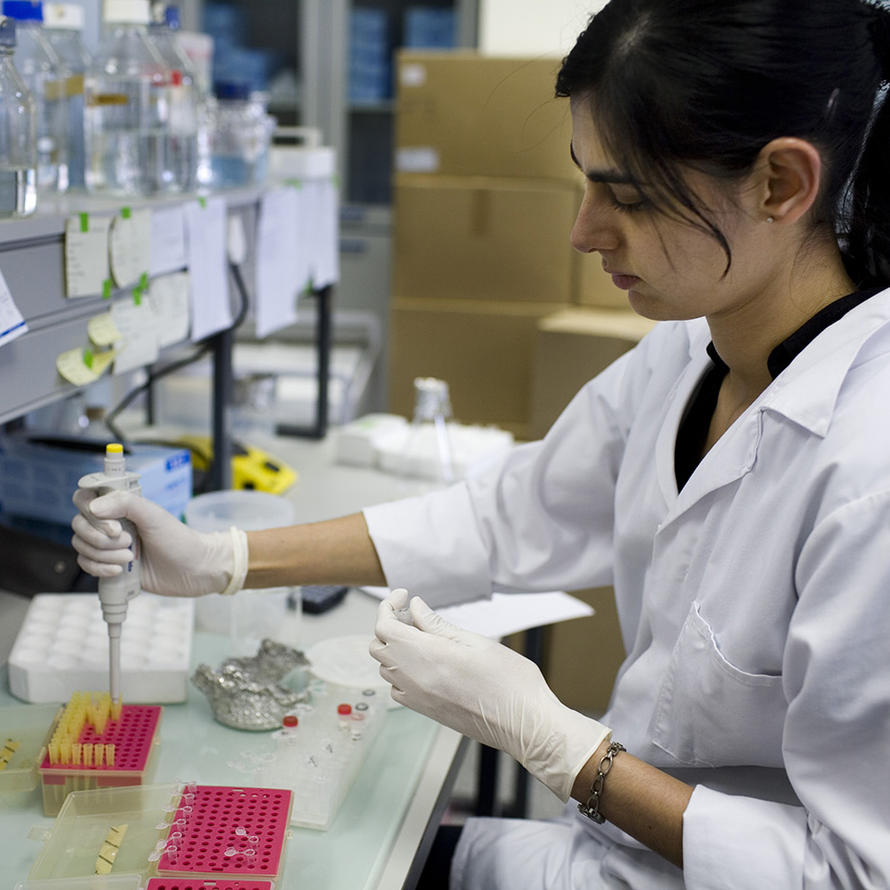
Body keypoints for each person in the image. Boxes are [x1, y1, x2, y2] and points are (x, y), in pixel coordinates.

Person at [71, 0, 890, 886]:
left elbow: (851, 871)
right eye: (585, 180)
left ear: (780, 184)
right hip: (605, 858)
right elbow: (502, 517)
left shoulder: (867, 473)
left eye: (628, 194)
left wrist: (564, 749)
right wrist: (225, 560)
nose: (583, 231)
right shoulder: (689, 350)